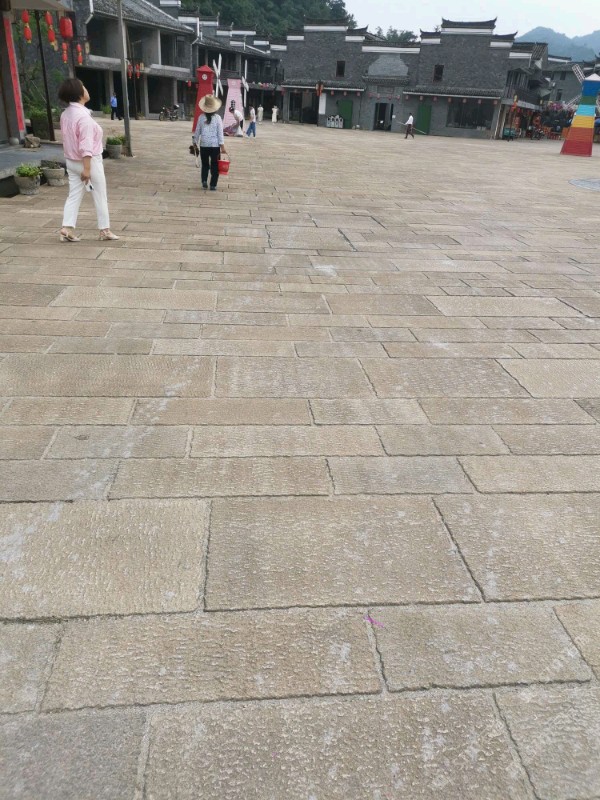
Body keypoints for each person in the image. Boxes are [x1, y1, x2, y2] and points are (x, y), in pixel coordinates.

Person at [58, 78, 118, 242]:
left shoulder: (65, 114)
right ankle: (104, 230)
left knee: (74, 194)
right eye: (83, 87)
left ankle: (66, 228)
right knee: (100, 194)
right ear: (78, 92)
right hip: (88, 161)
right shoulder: (83, 117)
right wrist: (87, 168)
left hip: (71, 161)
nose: (86, 89)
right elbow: (86, 144)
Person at [193, 94, 227, 191]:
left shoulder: (201, 117)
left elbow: (197, 131)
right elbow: (220, 134)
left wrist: (195, 142)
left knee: (205, 164)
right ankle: (213, 185)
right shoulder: (218, 118)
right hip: (215, 146)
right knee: (215, 165)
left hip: (204, 145)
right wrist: (222, 147)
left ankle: (204, 181)